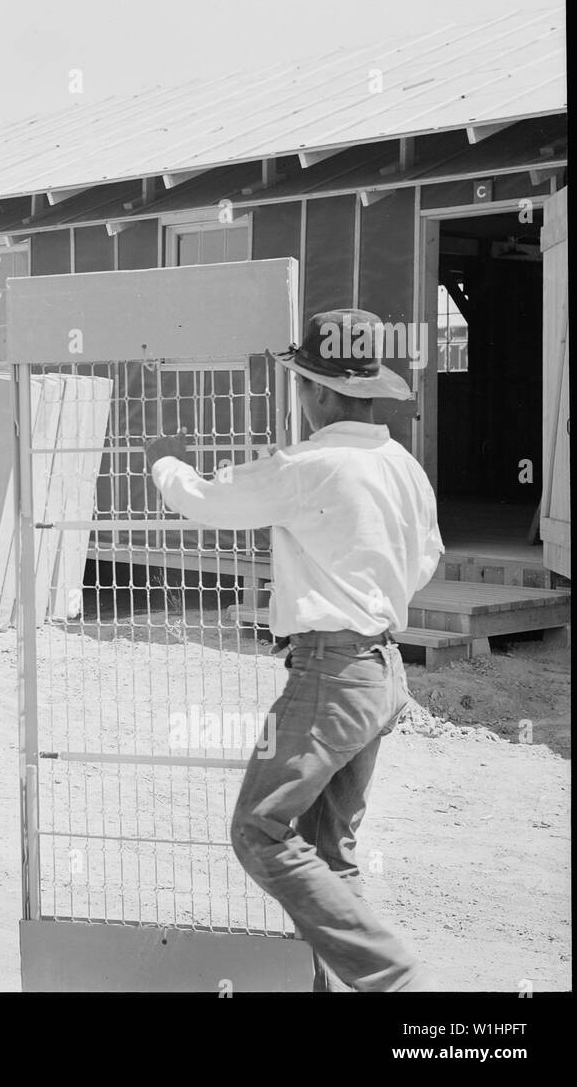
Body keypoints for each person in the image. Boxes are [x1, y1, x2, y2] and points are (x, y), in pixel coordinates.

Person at [145, 309, 444, 992]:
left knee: (259, 828)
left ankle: (394, 979)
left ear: (317, 390)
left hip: (330, 670)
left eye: (302, 384)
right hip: (380, 668)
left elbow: (209, 500)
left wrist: (162, 460)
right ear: (370, 389)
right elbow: (423, 559)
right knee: (329, 849)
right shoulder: (404, 468)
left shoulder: (308, 465)